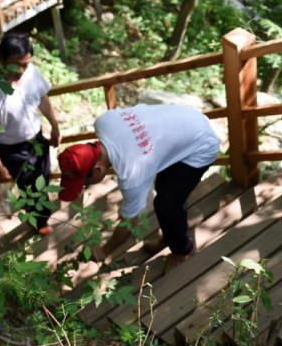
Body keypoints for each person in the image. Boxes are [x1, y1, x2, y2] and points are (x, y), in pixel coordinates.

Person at [57, 103, 220, 271]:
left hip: (201, 145)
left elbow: (129, 223)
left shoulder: (132, 173)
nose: (84, 186)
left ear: (98, 169)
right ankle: (171, 236)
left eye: (85, 182)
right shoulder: (103, 121)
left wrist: (104, 251)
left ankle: (182, 251)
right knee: (166, 190)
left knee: (167, 204)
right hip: (186, 120)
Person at [0, 33, 61, 236]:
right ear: (1, 60)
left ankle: (38, 213)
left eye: (26, 64)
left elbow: (42, 98)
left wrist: (55, 125)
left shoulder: (31, 73)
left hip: (37, 137)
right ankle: (39, 220)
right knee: (30, 186)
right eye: (16, 64)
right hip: (12, 148)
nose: (21, 70)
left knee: (43, 175)